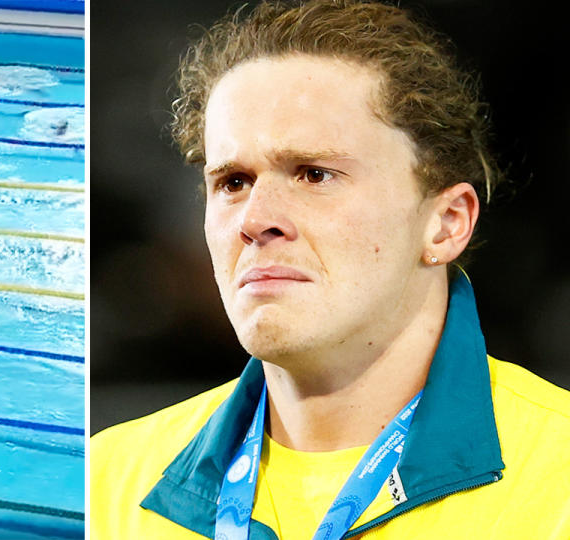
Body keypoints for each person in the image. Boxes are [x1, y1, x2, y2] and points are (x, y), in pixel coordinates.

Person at [89, 2, 570, 540]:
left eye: (314, 174)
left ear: (445, 224)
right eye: (232, 182)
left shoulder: (560, 477)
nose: (255, 220)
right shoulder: (102, 483)